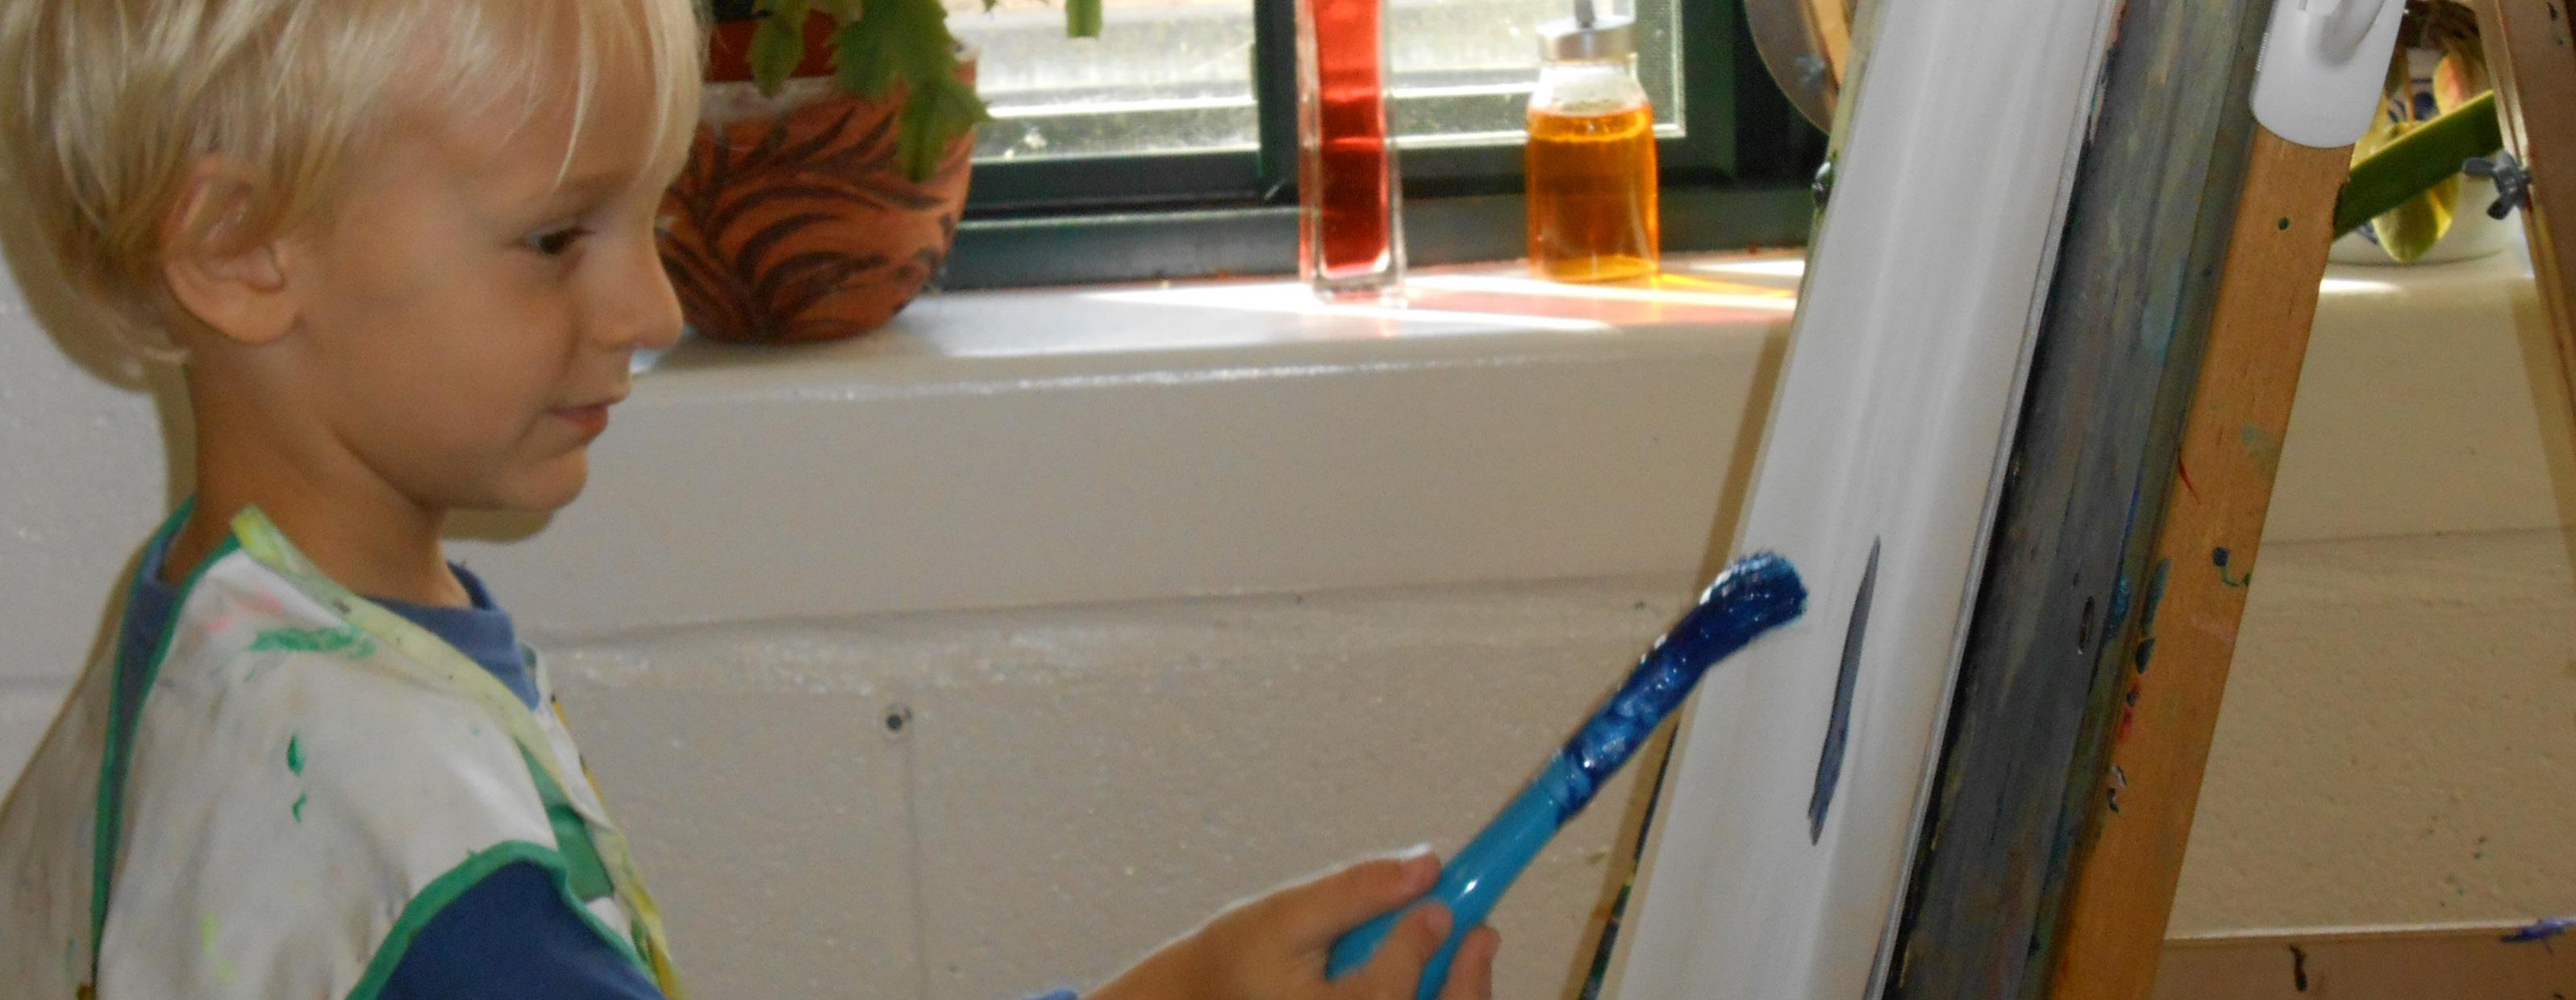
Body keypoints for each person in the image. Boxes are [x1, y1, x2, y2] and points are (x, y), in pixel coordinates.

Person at [0, 2, 1501, 996]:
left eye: (647, 217)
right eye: (555, 239)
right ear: (240, 250)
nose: (651, 307)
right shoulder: (432, 870)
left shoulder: (195, 633)